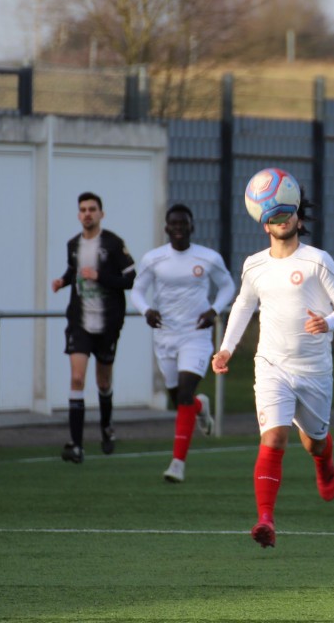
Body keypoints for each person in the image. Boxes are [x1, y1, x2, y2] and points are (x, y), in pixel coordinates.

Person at [212, 189, 334, 549]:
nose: (282, 220)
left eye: (287, 214)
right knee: (274, 438)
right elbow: (244, 306)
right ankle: (265, 519)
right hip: (272, 365)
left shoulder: (317, 261)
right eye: (274, 216)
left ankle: (325, 463)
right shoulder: (254, 265)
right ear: (264, 224)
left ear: (298, 220)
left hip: (314, 369)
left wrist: (329, 322)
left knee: (314, 443)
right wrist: (226, 349)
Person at [129, 204, 236, 484]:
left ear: (191, 227)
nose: (178, 229)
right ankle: (201, 407)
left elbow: (228, 286)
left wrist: (214, 311)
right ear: (166, 229)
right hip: (165, 336)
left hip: (196, 335)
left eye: (183, 224)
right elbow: (138, 292)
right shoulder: (153, 259)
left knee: (185, 393)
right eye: (173, 224)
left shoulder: (208, 257)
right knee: (180, 400)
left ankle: (177, 463)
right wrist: (147, 311)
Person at [50, 192, 136, 464]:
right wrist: (62, 282)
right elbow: (72, 271)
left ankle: (106, 428)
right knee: (77, 378)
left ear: (101, 213)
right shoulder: (72, 245)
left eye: (92, 209)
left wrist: (101, 276)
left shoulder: (113, 243)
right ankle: (75, 445)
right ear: (78, 215)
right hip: (80, 322)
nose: (87, 213)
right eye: (83, 210)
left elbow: (130, 279)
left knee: (103, 381)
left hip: (108, 323)